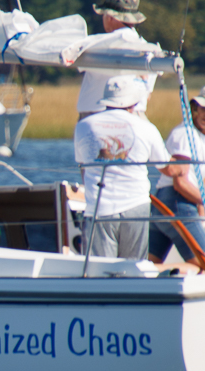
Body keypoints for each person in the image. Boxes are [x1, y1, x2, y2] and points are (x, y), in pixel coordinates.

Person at [73, 76, 180, 260]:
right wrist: (182, 167)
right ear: (134, 103)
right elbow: (167, 168)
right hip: (136, 207)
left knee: (100, 270)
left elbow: (83, 163)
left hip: (99, 208)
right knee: (133, 268)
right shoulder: (147, 128)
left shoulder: (83, 126)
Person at [148, 85, 205, 273]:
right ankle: (153, 270)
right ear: (195, 109)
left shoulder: (204, 141)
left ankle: (147, 271)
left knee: (150, 264)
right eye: (204, 109)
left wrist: (202, 215)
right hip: (176, 203)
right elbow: (180, 183)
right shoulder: (185, 134)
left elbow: (201, 183)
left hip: (167, 206)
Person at [75, 0, 165, 121]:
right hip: (136, 117)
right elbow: (147, 96)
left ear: (110, 17)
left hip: (96, 116)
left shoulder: (98, 44)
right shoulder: (149, 50)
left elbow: (70, 54)